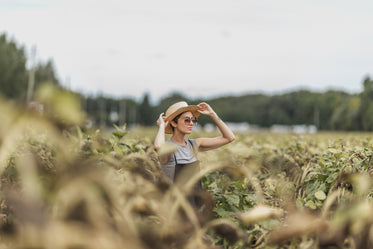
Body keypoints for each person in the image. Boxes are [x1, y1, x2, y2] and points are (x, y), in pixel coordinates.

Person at [154, 101, 235, 187]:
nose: (191, 123)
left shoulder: (194, 144)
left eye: (193, 119)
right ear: (174, 123)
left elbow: (229, 138)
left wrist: (213, 114)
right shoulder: (168, 148)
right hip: (177, 200)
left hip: (196, 199)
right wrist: (162, 126)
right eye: (187, 120)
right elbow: (158, 147)